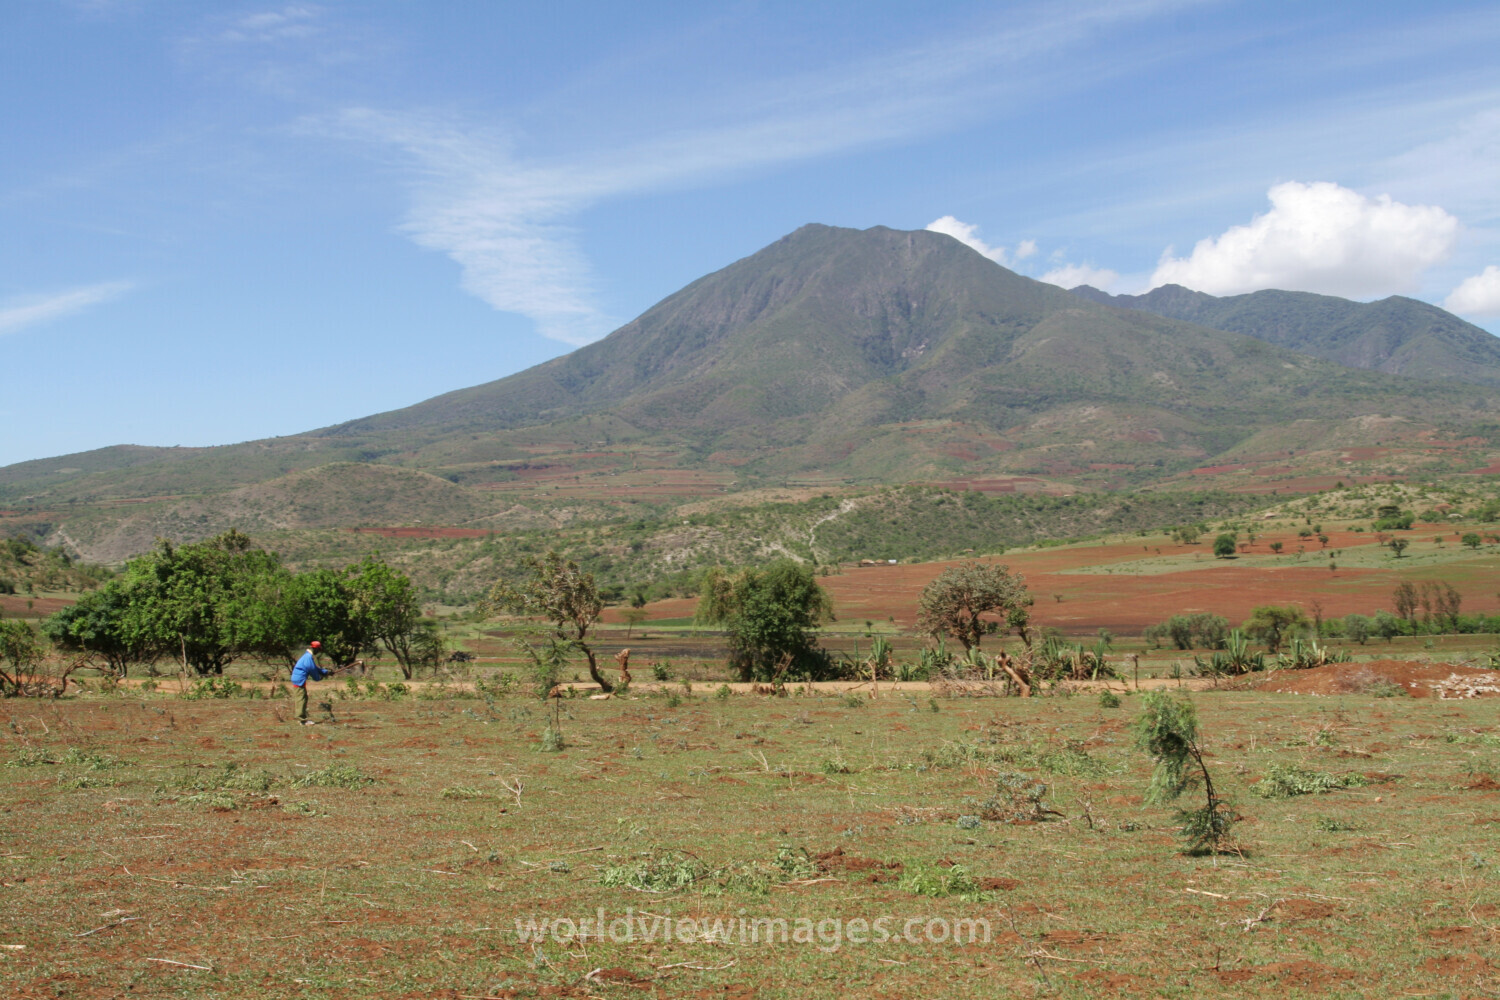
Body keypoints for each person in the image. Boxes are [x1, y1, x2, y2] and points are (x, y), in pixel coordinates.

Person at [289, 641, 330, 724]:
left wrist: (326, 672)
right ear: (315, 649)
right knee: (301, 699)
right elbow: (312, 669)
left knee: (303, 698)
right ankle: (302, 720)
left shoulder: (308, 656)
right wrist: (318, 678)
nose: (318, 652)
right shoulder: (308, 657)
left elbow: (314, 668)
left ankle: (302, 718)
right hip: (299, 679)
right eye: (318, 650)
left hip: (299, 679)